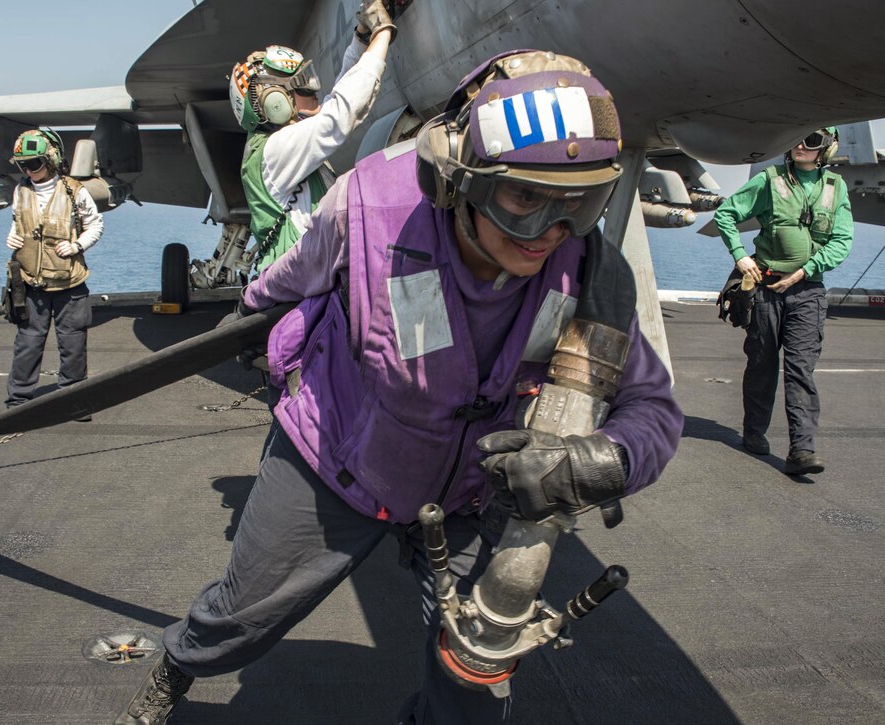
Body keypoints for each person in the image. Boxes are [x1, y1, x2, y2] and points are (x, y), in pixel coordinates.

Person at [113, 50, 682, 725]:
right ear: (458, 177)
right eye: (524, 198)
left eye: (577, 202)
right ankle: (178, 664)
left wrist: (602, 460)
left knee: (476, 668)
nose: (549, 232)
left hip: (475, 490)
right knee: (239, 616)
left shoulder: (590, 271)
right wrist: (253, 330)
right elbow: (283, 285)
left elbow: (652, 407)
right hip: (338, 459)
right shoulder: (367, 206)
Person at [713, 127, 852, 475]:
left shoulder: (836, 189)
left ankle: (801, 451)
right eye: (798, 137)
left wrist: (805, 271)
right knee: (761, 363)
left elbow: (842, 240)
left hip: (808, 292)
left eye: (813, 140)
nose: (801, 145)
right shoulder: (770, 181)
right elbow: (726, 214)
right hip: (765, 288)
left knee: (800, 370)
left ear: (828, 148)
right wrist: (741, 256)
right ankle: (754, 431)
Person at [229, 0, 396, 270]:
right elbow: (340, 113)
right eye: (301, 84)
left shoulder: (275, 143)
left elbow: (337, 97)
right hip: (298, 297)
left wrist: (363, 38)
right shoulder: (275, 151)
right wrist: (384, 32)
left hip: (304, 285)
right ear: (275, 102)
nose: (314, 87)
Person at [4, 129, 104, 411]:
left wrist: (77, 246)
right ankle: (18, 402)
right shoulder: (21, 190)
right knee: (27, 343)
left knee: (72, 345)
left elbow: (96, 224)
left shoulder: (74, 191)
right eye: (22, 165)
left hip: (69, 284)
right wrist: (11, 236)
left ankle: (73, 401)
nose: (28, 170)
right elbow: (18, 220)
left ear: (50, 160)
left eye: (33, 164)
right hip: (30, 282)